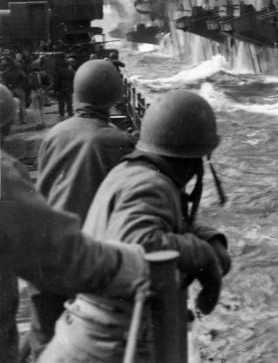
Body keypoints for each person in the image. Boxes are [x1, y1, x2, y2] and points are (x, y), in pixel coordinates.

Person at [40, 90, 231, 363]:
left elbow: (161, 224)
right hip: (108, 348)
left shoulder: (132, 173)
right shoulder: (152, 185)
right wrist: (203, 256)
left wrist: (210, 239)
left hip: (90, 336)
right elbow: (139, 243)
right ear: (197, 158)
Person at [1, 86, 149, 363]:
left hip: (45, 256)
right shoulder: (4, 176)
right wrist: (136, 264)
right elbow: (64, 253)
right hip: (75, 247)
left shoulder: (56, 133)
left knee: (41, 334)